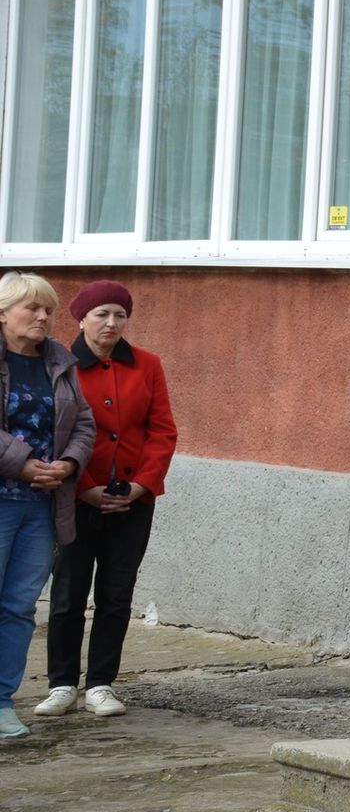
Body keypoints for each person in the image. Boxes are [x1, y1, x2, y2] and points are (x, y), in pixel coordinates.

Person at [36, 280, 177, 721]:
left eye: (119, 314)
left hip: (133, 500)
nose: (111, 323)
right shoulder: (59, 363)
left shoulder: (148, 365)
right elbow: (54, 430)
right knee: (68, 593)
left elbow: (162, 431)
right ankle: (62, 684)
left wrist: (142, 486)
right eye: (101, 315)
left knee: (116, 595)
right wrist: (84, 487)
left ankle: (101, 684)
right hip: (77, 496)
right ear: (81, 318)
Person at [0, 272, 93, 740]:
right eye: (31, 308)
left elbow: (84, 422)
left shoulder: (59, 360)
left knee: (18, 607)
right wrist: (25, 464)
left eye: (48, 310)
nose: (43, 317)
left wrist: (68, 464)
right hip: (4, 495)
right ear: (3, 313)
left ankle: (1, 702)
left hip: (40, 507)